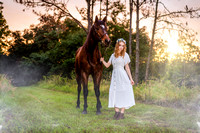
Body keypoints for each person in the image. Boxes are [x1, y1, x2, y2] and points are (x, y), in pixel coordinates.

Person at [100, 38, 135, 120]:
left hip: (122, 76)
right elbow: (108, 65)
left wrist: (131, 79)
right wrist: (102, 61)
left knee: (123, 93)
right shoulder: (113, 55)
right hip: (115, 77)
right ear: (117, 45)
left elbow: (127, 67)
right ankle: (116, 112)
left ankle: (121, 113)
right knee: (114, 92)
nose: (121, 47)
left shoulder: (125, 55)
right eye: (120, 45)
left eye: (123, 46)